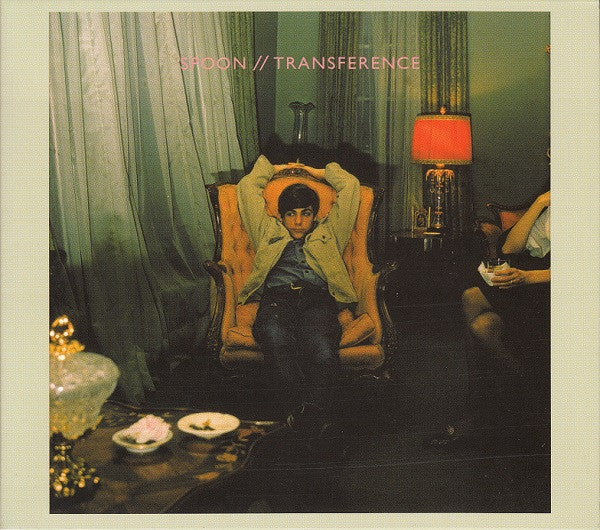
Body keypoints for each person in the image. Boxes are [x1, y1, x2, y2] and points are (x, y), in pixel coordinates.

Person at [236, 155, 360, 436]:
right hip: (277, 300)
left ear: (315, 215)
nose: (299, 221)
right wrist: (276, 169)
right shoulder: (267, 231)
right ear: (281, 216)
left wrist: (318, 172)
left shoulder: (330, 232)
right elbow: (247, 187)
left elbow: (350, 186)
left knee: (323, 351)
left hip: (317, 301)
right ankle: (311, 419)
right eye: (291, 214)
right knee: (274, 338)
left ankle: (300, 420)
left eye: (306, 213)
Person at [428, 191, 550, 446]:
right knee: (480, 319)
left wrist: (528, 277)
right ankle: (522, 388)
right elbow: (509, 247)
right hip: (526, 278)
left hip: (551, 288)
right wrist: (540, 202)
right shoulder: (549, 202)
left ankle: (481, 413)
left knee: (475, 305)